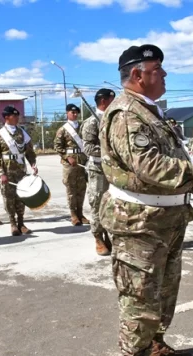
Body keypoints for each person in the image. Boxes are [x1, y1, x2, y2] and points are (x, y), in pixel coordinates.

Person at [99, 44, 193, 356]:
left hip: (166, 217)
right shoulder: (126, 113)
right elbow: (149, 166)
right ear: (137, 75)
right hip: (138, 221)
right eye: (157, 69)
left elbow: (168, 158)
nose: (164, 75)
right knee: (140, 291)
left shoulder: (149, 111)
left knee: (164, 289)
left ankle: (154, 343)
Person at [0, 105, 38, 236]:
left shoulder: (22, 133)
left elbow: (29, 151)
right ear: (6, 117)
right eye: (14, 116)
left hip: (21, 171)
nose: (17, 118)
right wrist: (1, 173)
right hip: (7, 171)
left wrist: (33, 164)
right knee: (8, 198)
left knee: (21, 197)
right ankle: (13, 224)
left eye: (17, 115)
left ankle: (21, 223)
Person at [82, 88, 116, 256]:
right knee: (97, 203)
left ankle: (109, 233)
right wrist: (106, 149)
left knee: (112, 203)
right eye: (112, 99)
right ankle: (98, 236)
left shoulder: (114, 120)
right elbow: (87, 147)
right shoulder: (91, 122)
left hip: (114, 169)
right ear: (103, 101)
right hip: (98, 169)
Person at [54, 104, 89, 226]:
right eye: (72, 112)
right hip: (70, 163)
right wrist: (67, 157)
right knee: (71, 189)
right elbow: (57, 146)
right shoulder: (63, 129)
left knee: (81, 189)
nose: (74, 114)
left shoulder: (83, 127)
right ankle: (73, 215)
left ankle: (80, 213)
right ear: (67, 113)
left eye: (76, 113)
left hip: (82, 161)